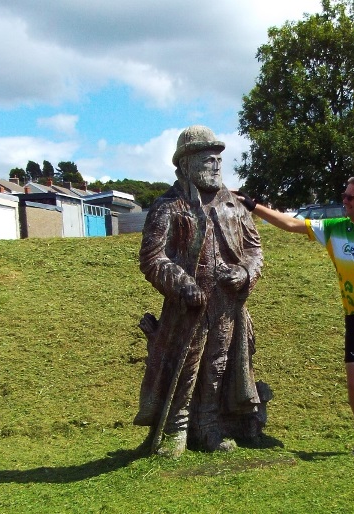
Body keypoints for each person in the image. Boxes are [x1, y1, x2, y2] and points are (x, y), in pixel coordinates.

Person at [235, 175, 354, 461]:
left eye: (349, 198)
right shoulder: (334, 229)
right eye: (344, 196)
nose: (344, 201)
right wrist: (253, 205)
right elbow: (292, 223)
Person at [134, 125, 269, 458]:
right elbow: (152, 257)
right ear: (185, 164)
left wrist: (245, 272)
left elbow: (255, 249)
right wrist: (182, 285)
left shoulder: (234, 205)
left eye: (218, 159)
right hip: (187, 306)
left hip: (226, 304)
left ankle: (209, 425)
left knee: (218, 365)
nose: (216, 165)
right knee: (185, 364)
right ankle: (176, 428)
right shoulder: (169, 205)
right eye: (207, 159)